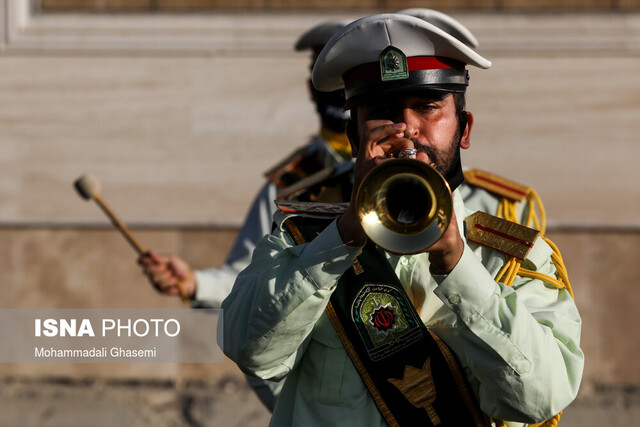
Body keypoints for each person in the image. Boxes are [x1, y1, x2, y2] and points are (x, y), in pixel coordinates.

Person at [220, 13, 583, 427]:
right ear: (356, 137)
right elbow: (252, 353)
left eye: (428, 107)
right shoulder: (297, 242)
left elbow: (539, 399)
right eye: (381, 111)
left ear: (464, 129)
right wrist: (342, 238)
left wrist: (459, 265)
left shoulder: (516, 257)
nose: (406, 128)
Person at [138, 20, 350, 412]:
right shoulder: (288, 186)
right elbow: (249, 282)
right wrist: (194, 282)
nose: (335, 94)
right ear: (310, 89)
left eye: (343, 79)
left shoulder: (426, 180)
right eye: (323, 78)